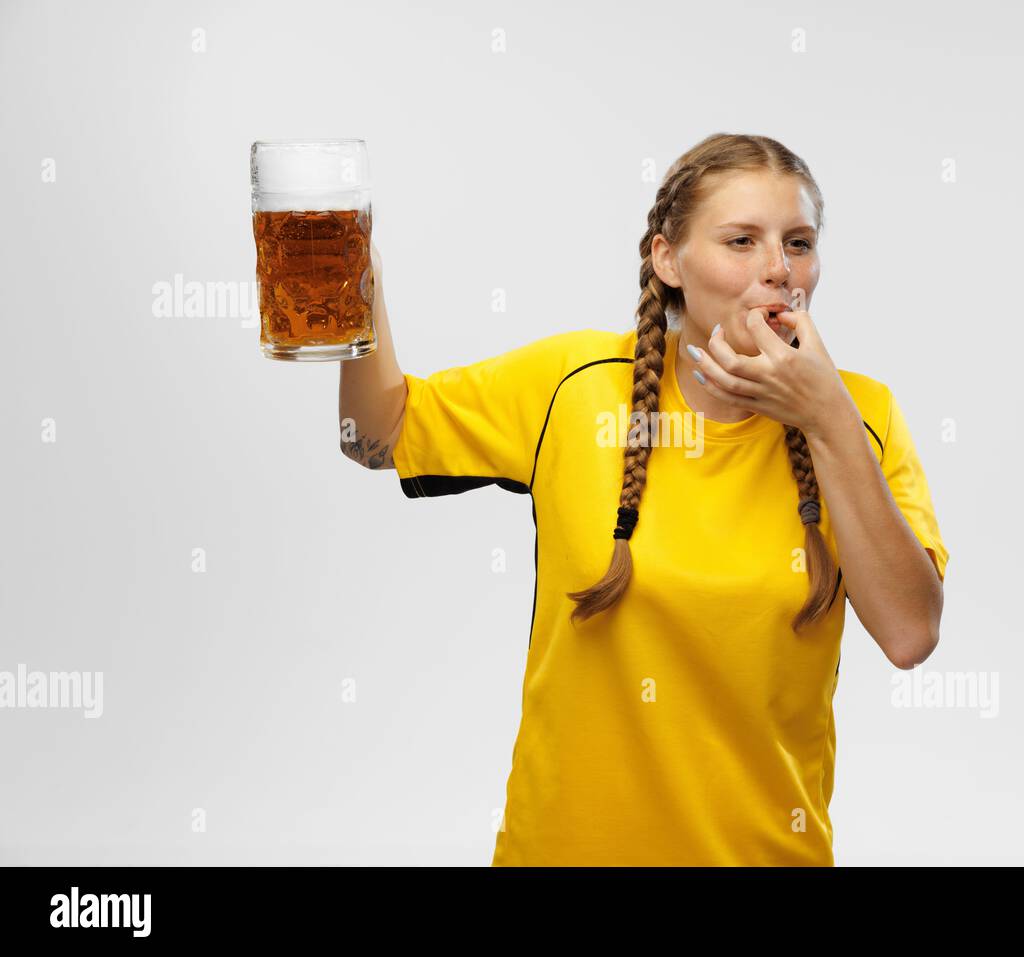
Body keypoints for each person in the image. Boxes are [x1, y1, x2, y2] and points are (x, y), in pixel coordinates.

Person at [338, 133, 948, 866]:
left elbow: (911, 632)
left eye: (798, 242)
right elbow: (376, 432)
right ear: (668, 260)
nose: (780, 270)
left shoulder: (864, 416)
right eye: (741, 240)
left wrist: (825, 417)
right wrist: (355, 282)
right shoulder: (577, 384)